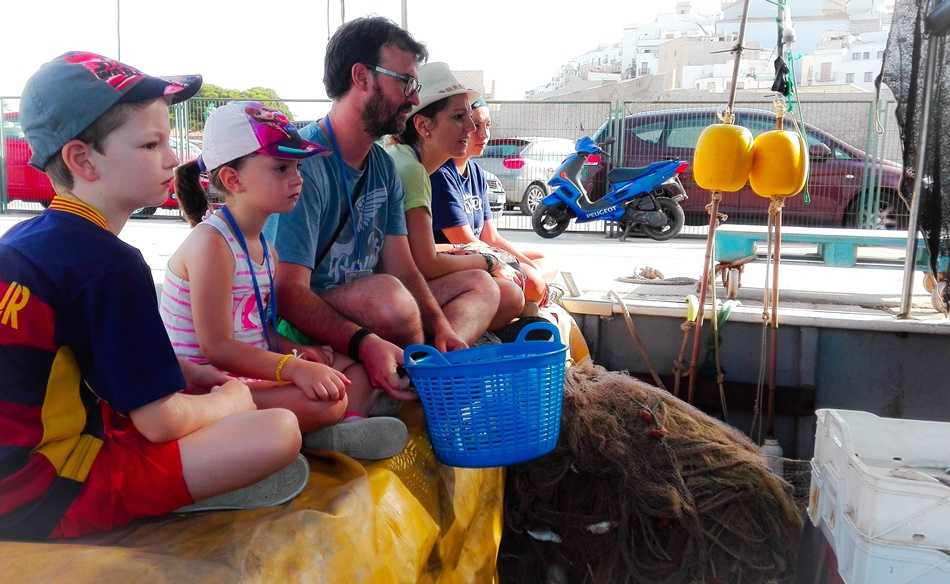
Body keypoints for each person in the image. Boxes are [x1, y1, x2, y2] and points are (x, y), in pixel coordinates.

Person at [0, 52, 307, 541]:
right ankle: (197, 491)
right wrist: (232, 398)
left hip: (19, 469)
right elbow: (162, 423)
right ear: (83, 160)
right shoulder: (108, 263)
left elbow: (67, 362)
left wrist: (182, 373)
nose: (172, 158)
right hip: (44, 493)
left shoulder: (24, 243)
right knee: (279, 429)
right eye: (151, 144)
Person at [268, 17, 500, 397]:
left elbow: (404, 266)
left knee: (483, 286)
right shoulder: (303, 165)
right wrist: (364, 343)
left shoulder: (382, 165)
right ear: (361, 77)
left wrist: (441, 325)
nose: (413, 97)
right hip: (306, 318)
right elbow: (288, 291)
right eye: (405, 82)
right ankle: (423, 381)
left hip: (373, 306)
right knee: (389, 298)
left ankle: (430, 367)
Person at [166, 101, 407, 460]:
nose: (297, 179)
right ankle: (310, 432)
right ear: (233, 179)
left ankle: (334, 429)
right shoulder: (212, 246)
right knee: (325, 401)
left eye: (297, 166)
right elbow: (217, 347)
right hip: (209, 386)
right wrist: (292, 366)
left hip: (247, 372)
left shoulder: (266, 248)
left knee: (351, 367)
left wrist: (297, 352)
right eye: (281, 168)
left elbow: (255, 329)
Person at [385, 63, 525, 330]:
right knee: (498, 291)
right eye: (459, 117)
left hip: (387, 289)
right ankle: (442, 363)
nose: (472, 128)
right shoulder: (413, 171)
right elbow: (426, 264)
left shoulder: (403, 160)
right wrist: (488, 260)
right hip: (388, 298)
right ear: (423, 125)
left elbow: (416, 254)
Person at [430, 97, 561, 309]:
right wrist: (513, 266)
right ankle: (532, 298)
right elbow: (468, 243)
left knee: (545, 261)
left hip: (484, 255)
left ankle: (535, 296)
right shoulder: (440, 174)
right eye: (474, 126)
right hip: (464, 261)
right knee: (533, 282)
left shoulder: (476, 173)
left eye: (487, 125)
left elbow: (490, 237)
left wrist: (525, 266)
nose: (483, 134)